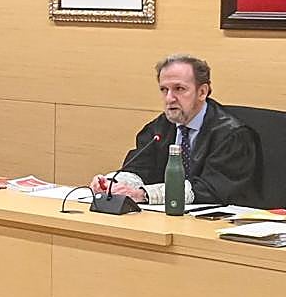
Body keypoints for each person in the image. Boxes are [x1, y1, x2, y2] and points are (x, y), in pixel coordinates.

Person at [91, 54, 261, 207]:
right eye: (164, 90)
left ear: (202, 92)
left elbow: (211, 188)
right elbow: (139, 168)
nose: (169, 98)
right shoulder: (160, 127)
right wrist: (113, 183)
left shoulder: (232, 135)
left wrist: (144, 194)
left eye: (179, 89)